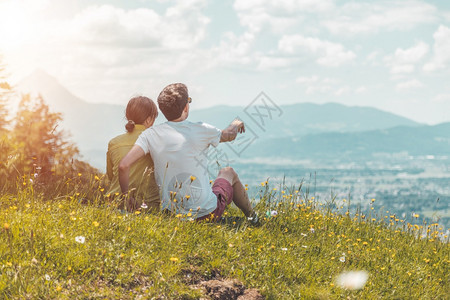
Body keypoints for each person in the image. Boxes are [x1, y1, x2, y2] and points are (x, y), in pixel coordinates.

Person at [118, 83, 258, 223]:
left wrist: (127, 197)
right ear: (186, 107)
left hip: (171, 215)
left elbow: (123, 165)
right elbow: (229, 135)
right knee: (228, 172)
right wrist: (236, 122)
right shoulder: (202, 129)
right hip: (206, 213)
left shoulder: (149, 135)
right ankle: (253, 218)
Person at [106, 96, 160, 211]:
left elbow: (111, 176)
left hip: (115, 204)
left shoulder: (114, 143)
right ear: (149, 120)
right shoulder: (155, 141)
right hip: (146, 206)